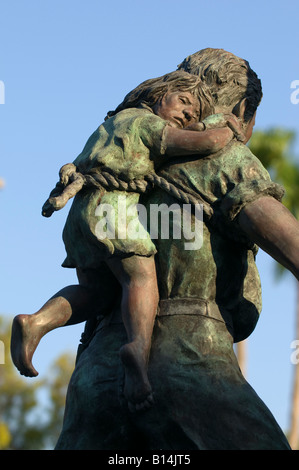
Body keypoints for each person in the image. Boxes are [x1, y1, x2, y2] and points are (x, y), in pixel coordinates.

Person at [53, 48, 297, 450]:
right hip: (190, 366)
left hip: (95, 377)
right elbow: (290, 243)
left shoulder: (119, 154)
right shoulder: (223, 155)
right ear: (241, 111)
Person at [10, 70, 243, 412]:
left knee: (97, 292)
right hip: (111, 210)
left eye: (192, 115)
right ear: (156, 94)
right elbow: (201, 144)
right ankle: (137, 346)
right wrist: (223, 130)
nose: (186, 115)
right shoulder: (145, 123)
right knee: (140, 277)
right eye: (183, 103)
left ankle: (37, 322)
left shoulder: (109, 125)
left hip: (79, 216)